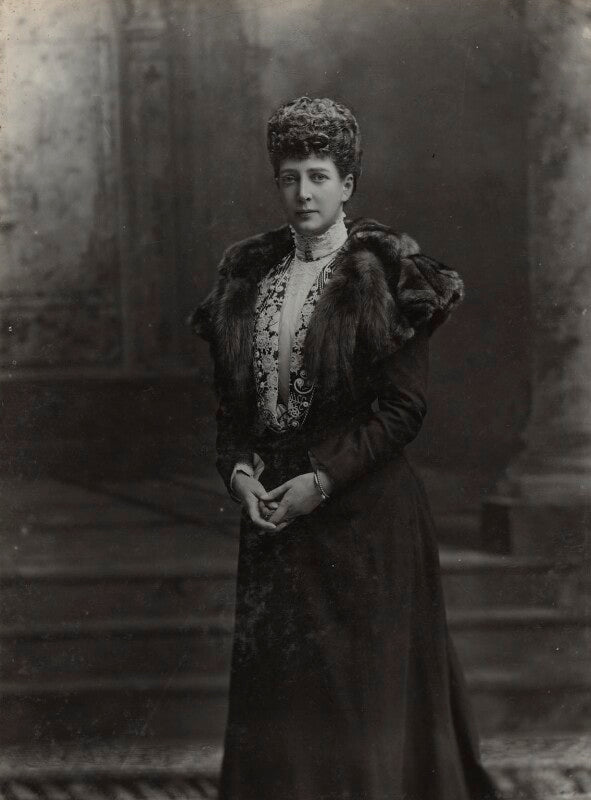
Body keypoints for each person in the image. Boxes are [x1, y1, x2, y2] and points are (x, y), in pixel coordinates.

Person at [192, 96, 500, 800]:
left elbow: (402, 410)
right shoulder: (247, 278)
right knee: (284, 711)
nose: (303, 193)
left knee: (360, 709)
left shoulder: (386, 277)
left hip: (364, 521)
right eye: (290, 177)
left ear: (347, 184)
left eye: (319, 176)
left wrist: (322, 480)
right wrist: (238, 474)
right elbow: (231, 412)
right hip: (276, 522)